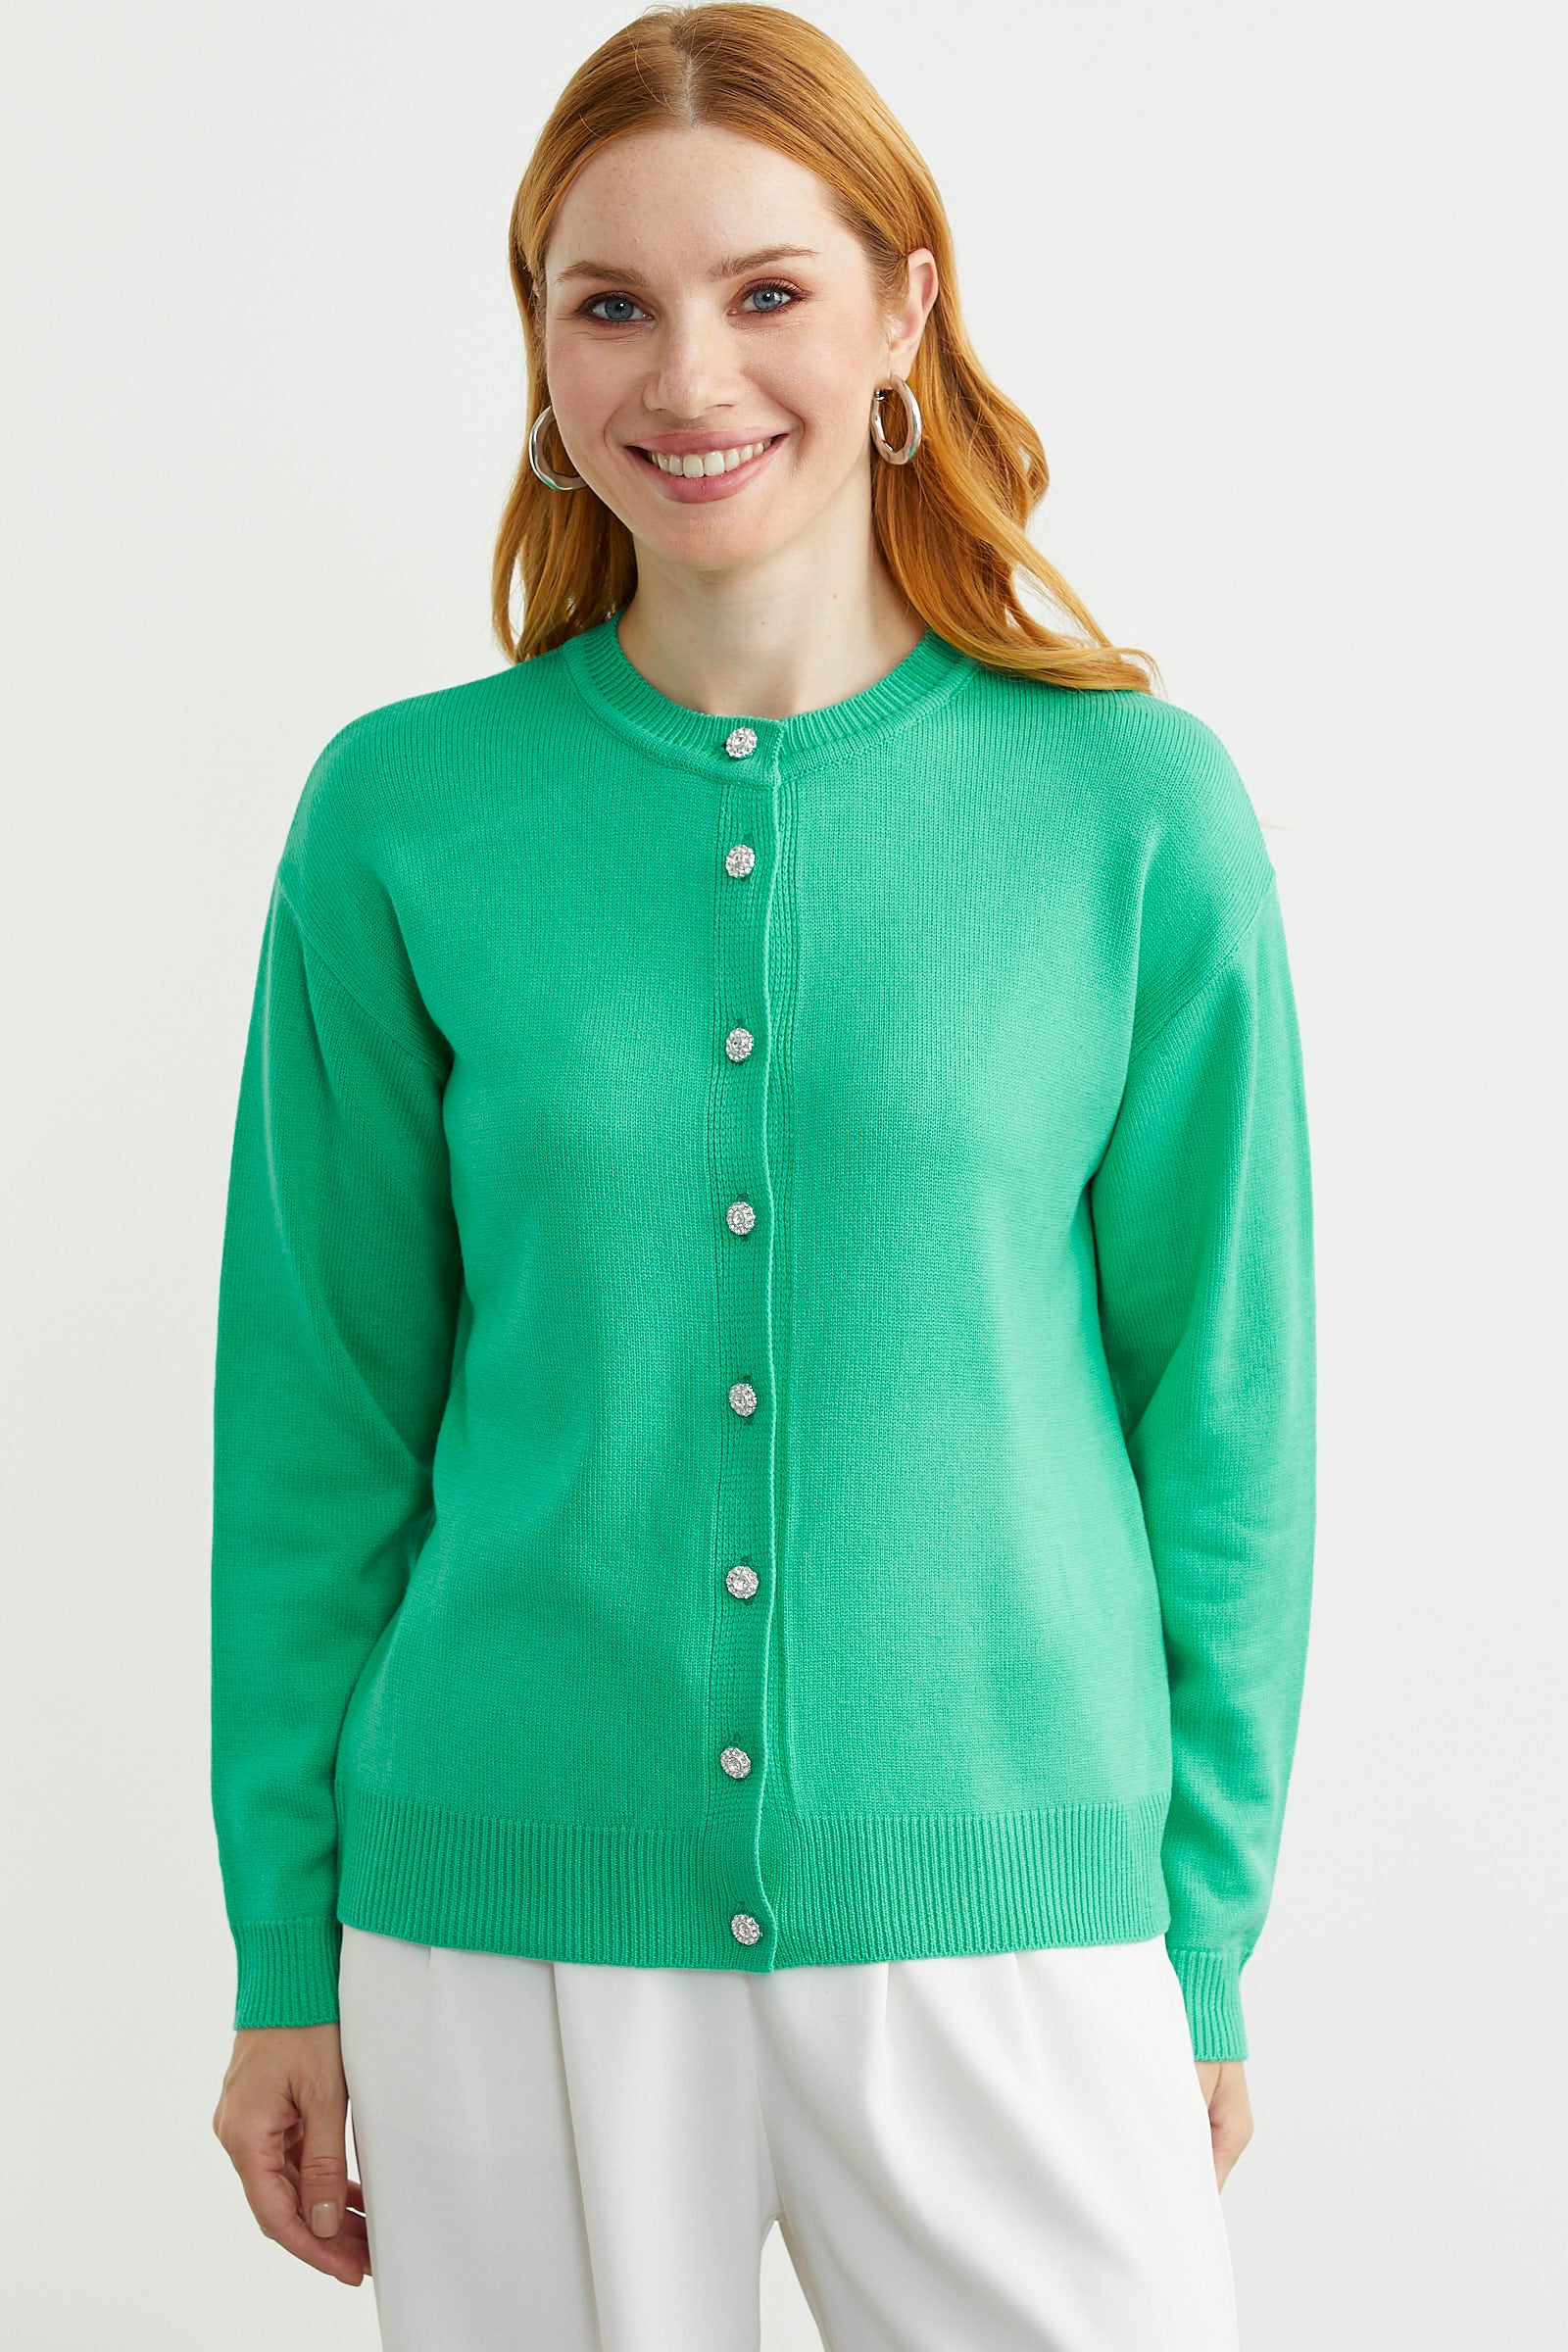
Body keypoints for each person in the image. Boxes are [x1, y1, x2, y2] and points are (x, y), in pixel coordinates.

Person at [208, 7, 1316, 2346]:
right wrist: (281, 1956)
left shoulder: (1131, 815)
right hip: (502, 1922)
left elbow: (1220, 1417)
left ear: (904, 307)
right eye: (609, 302)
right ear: (537, 345)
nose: (687, 375)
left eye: (767, 290)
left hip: (1007, 1919)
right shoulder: (405, 814)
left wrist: (1196, 1943)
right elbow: (318, 1426)